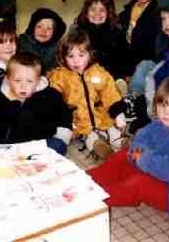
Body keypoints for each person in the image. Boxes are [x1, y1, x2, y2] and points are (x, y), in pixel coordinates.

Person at [88, 76, 169, 217]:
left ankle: (96, 198)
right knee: (122, 156)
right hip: (152, 168)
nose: (165, 111)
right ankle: (85, 180)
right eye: (162, 105)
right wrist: (138, 153)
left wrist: (144, 158)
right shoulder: (160, 123)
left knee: (139, 184)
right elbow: (141, 137)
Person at [0, 52, 73, 155]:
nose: (23, 87)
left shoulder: (51, 95)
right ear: (8, 79)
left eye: (30, 81)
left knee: (57, 145)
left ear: (38, 81)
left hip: (41, 144)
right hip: (8, 147)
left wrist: (62, 136)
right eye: (17, 81)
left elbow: (64, 116)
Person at [48, 30, 126, 159]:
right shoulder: (59, 77)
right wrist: (66, 124)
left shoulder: (98, 71)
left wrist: (119, 115)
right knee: (90, 137)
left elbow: (110, 92)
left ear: (90, 54)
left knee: (114, 131)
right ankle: (99, 148)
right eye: (70, 56)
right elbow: (55, 102)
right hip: (79, 122)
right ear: (63, 57)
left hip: (102, 116)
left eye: (81, 55)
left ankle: (122, 143)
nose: (76, 61)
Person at [72, 0, 128, 79]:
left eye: (102, 10)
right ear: (86, 13)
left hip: (109, 72)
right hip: (83, 72)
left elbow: (123, 56)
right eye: (93, 9)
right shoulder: (78, 30)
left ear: (109, 13)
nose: (97, 13)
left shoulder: (116, 31)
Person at [118, 0, 160, 71]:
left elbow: (151, 41)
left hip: (143, 52)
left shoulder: (155, 12)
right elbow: (121, 18)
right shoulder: (132, 5)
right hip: (128, 45)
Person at [19, 8, 66, 73]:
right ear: (32, 28)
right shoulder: (24, 41)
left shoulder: (56, 47)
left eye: (49, 28)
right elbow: (35, 65)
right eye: (39, 26)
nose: (43, 31)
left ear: (54, 33)